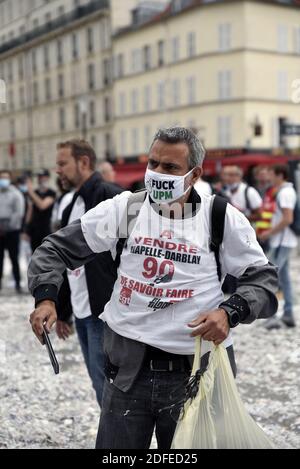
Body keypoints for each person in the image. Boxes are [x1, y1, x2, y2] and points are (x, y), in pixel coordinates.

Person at [28, 127, 278, 450]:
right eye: (153, 163)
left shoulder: (220, 217)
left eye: (170, 168)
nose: (158, 173)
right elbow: (55, 249)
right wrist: (46, 298)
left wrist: (231, 312)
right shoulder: (126, 209)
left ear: (194, 174)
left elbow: (264, 279)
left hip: (195, 378)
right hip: (126, 375)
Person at [46, 139, 123, 406]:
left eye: (62, 163)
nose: (58, 170)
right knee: (98, 382)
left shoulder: (111, 196)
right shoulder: (71, 204)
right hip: (81, 310)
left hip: (105, 310)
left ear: (83, 162)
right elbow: (67, 260)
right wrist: (63, 309)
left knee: (110, 386)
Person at [258, 165, 297, 329]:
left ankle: (273, 315)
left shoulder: (286, 193)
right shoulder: (282, 191)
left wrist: (269, 233)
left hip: (282, 241)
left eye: (271, 172)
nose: (268, 176)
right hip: (283, 240)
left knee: (271, 277)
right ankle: (288, 314)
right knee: (285, 278)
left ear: (280, 175)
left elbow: (288, 218)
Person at [0, 170, 25, 293]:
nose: (3, 180)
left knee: (14, 258)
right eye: (1, 178)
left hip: (12, 230)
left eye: (5, 178)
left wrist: (8, 227)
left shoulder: (16, 194)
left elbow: (18, 213)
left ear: (10, 179)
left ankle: (17, 284)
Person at [26, 169, 56, 253]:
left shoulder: (51, 193)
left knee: (45, 255)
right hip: (34, 231)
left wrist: (31, 192)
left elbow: (42, 206)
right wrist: (26, 229)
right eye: (39, 177)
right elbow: (30, 211)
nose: (40, 179)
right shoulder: (35, 192)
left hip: (46, 230)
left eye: (43, 177)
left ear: (47, 178)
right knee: (34, 255)